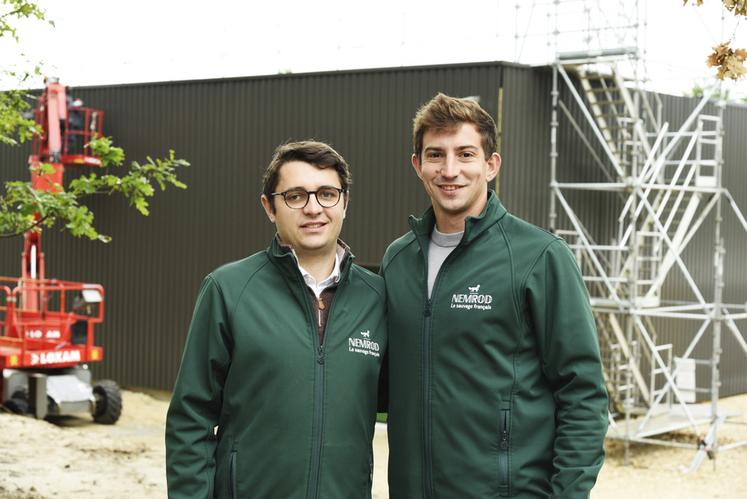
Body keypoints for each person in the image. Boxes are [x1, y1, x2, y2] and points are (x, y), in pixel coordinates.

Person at [380, 93, 608, 498]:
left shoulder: (539, 257)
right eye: (436, 155)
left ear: (491, 165)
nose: (450, 170)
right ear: (418, 166)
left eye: (465, 154)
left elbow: (583, 393)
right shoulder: (398, 260)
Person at [166, 141, 386, 499]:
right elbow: (191, 416)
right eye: (295, 196)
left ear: (345, 202)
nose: (314, 208)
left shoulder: (377, 298)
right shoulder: (228, 289)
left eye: (327, 194)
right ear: (270, 207)